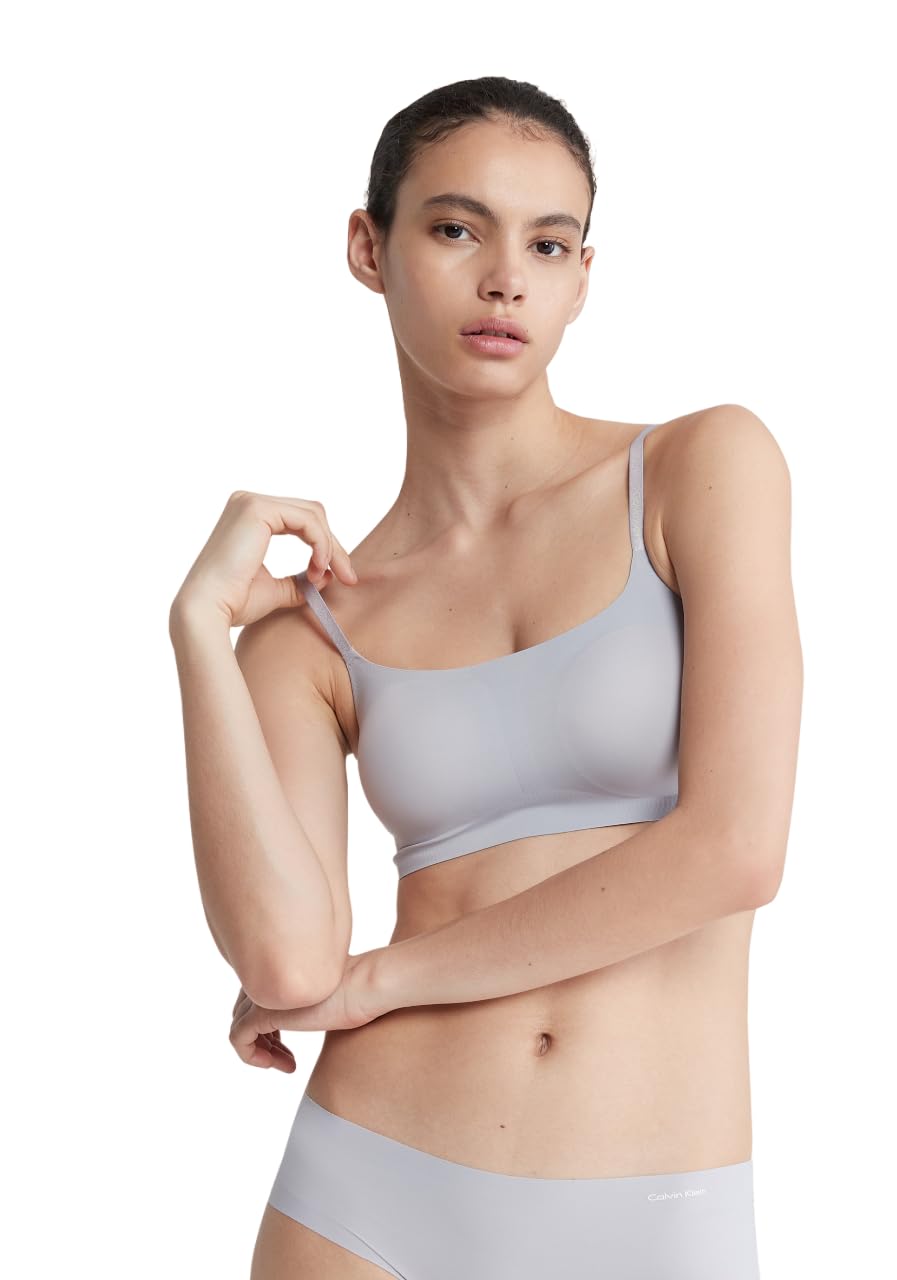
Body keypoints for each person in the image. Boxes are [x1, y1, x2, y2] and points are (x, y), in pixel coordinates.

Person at [170, 75, 803, 1280]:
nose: (507, 277)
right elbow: (289, 970)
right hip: (368, 1193)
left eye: (548, 243)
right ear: (370, 247)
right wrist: (200, 627)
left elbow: (735, 849)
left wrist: (383, 979)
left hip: (655, 1198)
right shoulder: (312, 634)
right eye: (458, 228)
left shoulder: (700, 468)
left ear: (581, 276)